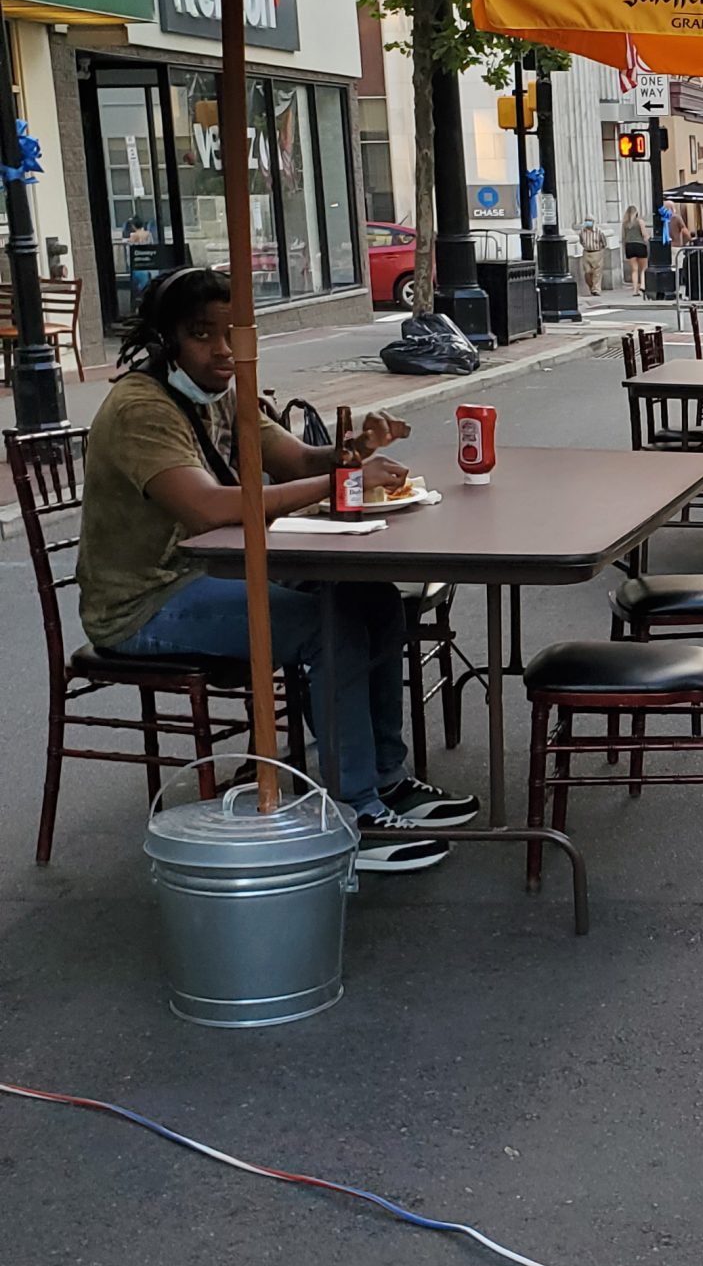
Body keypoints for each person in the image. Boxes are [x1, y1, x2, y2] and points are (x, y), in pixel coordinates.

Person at [76, 268, 474, 871]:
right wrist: (342, 481)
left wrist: (356, 448)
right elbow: (207, 506)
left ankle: (386, 780)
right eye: (202, 334)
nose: (224, 350)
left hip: (212, 576)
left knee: (375, 602)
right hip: (144, 603)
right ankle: (353, 811)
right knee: (326, 626)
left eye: (233, 333)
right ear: (166, 343)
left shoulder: (221, 393)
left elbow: (295, 460)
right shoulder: (142, 409)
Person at [621, 204, 649, 294]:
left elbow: (623, 237)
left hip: (629, 246)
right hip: (640, 245)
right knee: (643, 268)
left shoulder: (625, 224)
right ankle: (643, 285)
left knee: (634, 269)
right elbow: (644, 234)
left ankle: (634, 290)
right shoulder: (640, 222)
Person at [577, 216, 606, 296]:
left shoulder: (598, 231)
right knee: (587, 272)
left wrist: (600, 251)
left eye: (589, 221)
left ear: (593, 222)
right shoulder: (582, 232)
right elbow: (581, 241)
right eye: (586, 221)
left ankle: (596, 289)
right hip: (586, 253)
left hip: (597, 252)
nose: (587, 222)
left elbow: (603, 242)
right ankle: (591, 286)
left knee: (597, 272)